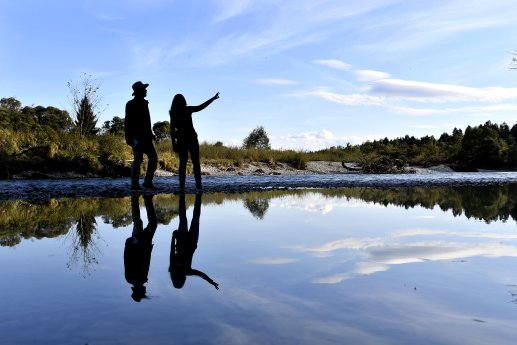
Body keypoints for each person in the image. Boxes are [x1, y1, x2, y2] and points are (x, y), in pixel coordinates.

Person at [169, 92, 219, 192]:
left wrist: (174, 143)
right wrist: (212, 99)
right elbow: (201, 107)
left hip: (181, 140)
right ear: (184, 101)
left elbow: (172, 129)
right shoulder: (187, 109)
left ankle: (182, 185)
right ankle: (198, 185)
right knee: (196, 162)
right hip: (191, 139)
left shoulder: (172, 112)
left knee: (182, 163)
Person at [169, 193, 219, 290]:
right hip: (192, 243)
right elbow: (202, 275)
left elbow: (171, 252)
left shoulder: (172, 268)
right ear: (183, 281)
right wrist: (211, 282)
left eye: (176, 282)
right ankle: (198, 196)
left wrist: (173, 237)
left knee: (183, 219)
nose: (179, 280)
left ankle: (182, 196)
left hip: (181, 242)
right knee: (195, 219)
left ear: (174, 279)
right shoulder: (187, 271)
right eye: (180, 282)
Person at [125, 81, 158, 191]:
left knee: (153, 158)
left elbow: (147, 121)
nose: (146, 90)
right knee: (138, 160)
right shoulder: (130, 104)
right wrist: (128, 138)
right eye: (144, 89)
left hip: (146, 137)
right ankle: (135, 184)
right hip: (136, 138)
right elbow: (128, 122)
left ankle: (147, 182)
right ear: (139, 91)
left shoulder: (144, 103)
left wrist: (151, 133)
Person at [124, 194, 158, 302]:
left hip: (136, 244)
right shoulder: (143, 279)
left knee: (138, 222)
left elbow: (127, 260)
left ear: (138, 291)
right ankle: (147, 199)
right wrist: (149, 248)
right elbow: (147, 261)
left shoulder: (131, 278)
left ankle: (135, 198)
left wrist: (129, 243)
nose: (145, 291)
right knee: (153, 224)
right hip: (145, 244)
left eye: (144, 292)